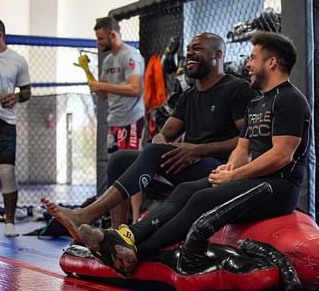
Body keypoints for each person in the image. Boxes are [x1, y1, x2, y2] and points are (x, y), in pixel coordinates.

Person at [77, 31, 312, 276]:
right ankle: (126, 236)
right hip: (254, 180)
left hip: (279, 188)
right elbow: (243, 149)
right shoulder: (256, 104)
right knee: (186, 190)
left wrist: (235, 176)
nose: (247, 64)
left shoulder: (290, 99)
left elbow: (281, 156)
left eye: (253, 58)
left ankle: (138, 253)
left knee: (201, 199)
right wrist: (229, 168)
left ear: (271, 62)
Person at [42, 32, 257, 232]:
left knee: (153, 152)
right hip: (184, 164)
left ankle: (85, 215)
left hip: (219, 169)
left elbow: (248, 140)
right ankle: (116, 235)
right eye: (189, 48)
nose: (189, 53)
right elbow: (163, 134)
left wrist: (198, 150)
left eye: (198, 49)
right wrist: (164, 145)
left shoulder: (237, 89)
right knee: (119, 158)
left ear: (218, 54)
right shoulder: (189, 96)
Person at [88, 17, 145, 223]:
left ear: (113, 34)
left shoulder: (130, 56)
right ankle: (117, 220)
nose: (98, 43)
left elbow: (134, 88)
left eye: (101, 38)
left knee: (133, 168)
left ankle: (137, 218)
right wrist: (93, 82)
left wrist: (103, 86)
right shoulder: (108, 61)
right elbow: (102, 94)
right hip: (114, 120)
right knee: (115, 168)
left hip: (131, 119)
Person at [0, 18, 31, 237]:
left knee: (7, 172)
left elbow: (26, 91)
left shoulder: (17, 60)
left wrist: (15, 97)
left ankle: (9, 223)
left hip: (5, 122)